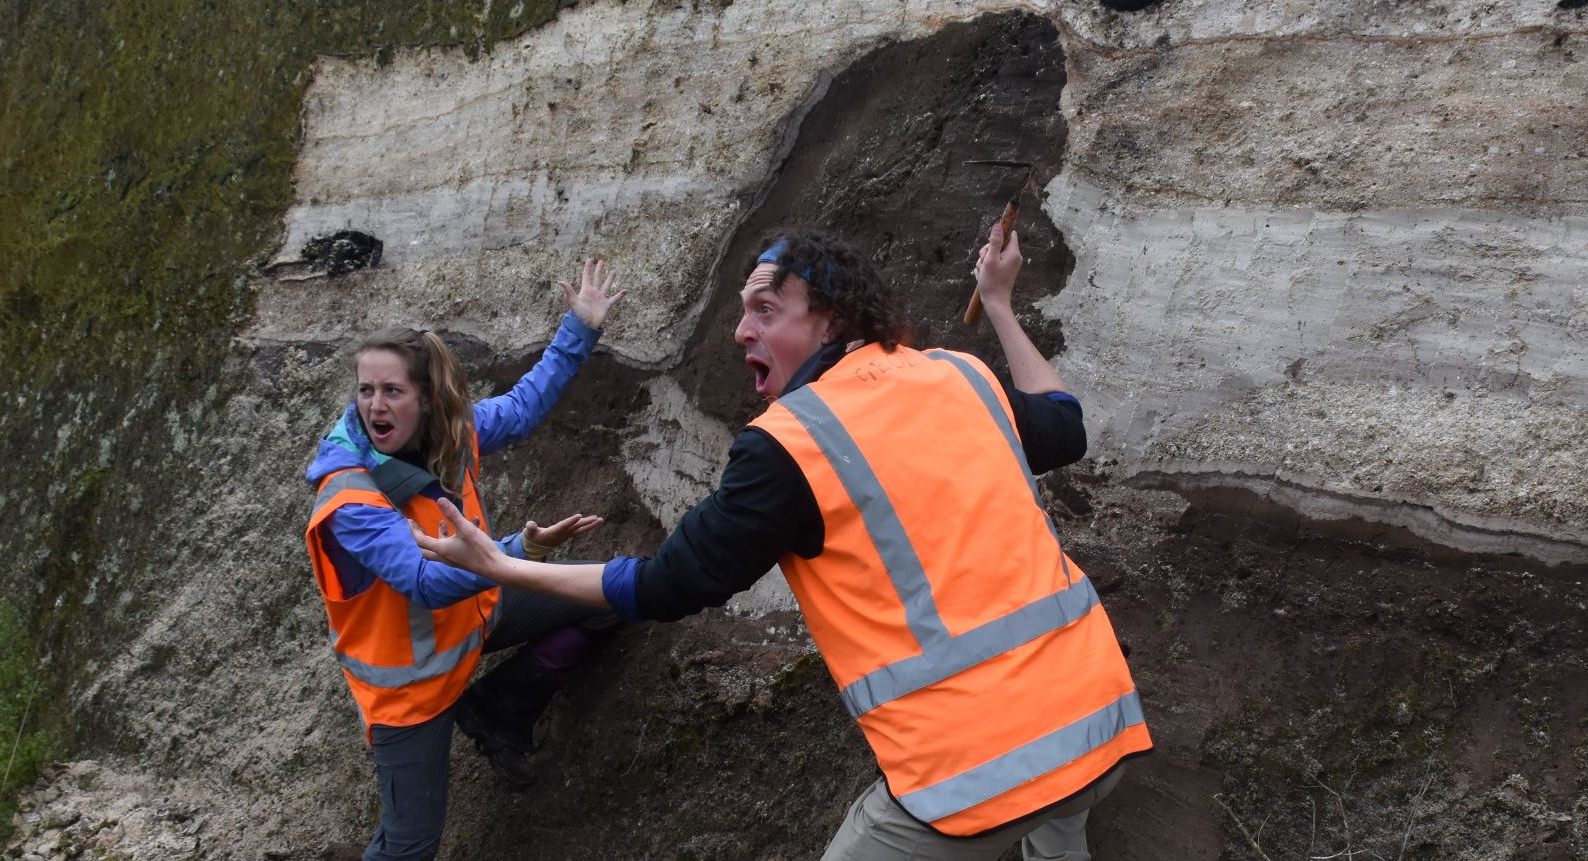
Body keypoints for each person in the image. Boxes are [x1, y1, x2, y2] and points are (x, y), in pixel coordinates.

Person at [413, 226, 1152, 860]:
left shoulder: (789, 446)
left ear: (829, 322)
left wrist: (503, 566)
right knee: (1059, 810)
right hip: (1101, 723)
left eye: (765, 309)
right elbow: (1064, 420)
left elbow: (668, 584)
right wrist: (997, 303)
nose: (741, 331)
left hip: (972, 775)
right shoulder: (960, 374)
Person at [302, 259, 628, 861]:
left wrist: (580, 327)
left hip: (477, 620)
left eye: (391, 390)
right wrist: (519, 553)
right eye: (366, 390)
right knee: (410, 846)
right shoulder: (349, 497)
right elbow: (424, 581)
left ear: (426, 400)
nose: (376, 404)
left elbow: (526, 406)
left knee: (610, 594)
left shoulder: (454, 437)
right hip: (411, 692)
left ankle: (500, 710)